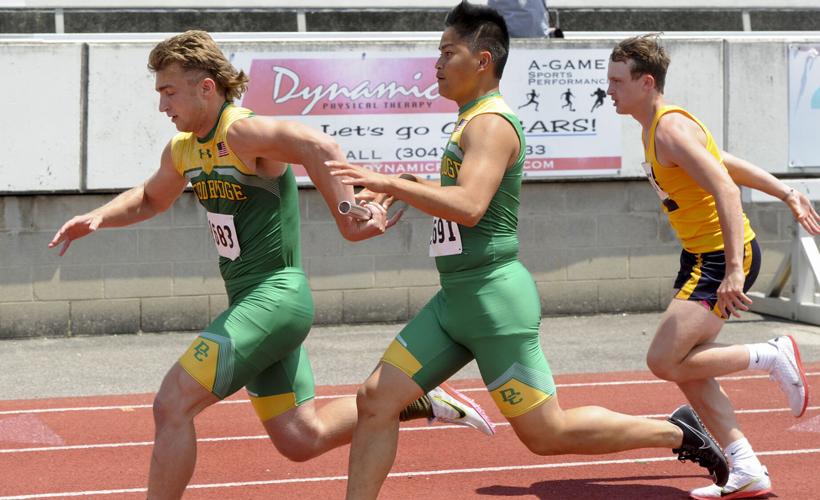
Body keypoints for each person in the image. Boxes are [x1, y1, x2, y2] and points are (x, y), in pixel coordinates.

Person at [47, 30, 494, 500]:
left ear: (206, 88)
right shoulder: (182, 150)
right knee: (302, 438)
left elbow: (317, 145)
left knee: (172, 403)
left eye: (169, 91)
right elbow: (148, 198)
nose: (162, 106)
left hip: (275, 298)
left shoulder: (240, 131)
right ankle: (416, 401)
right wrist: (98, 216)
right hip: (252, 303)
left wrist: (348, 215)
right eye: (159, 93)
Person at [327, 4, 730, 499]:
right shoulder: (468, 121)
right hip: (456, 299)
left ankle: (677, 431)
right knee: (375, 400)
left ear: (482, 60)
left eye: (446, 53)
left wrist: (391, 181)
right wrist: (406, 185)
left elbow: (470, 206)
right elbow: (466, 194)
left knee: (546, 434)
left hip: (494, 302)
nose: (435, 64)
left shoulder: (492, 123)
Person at [607, 34, 819, 499]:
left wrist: (734, 274)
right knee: (686, 366)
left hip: (721, 259)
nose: (609, 90)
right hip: (703, 257)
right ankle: (746, 467)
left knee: (663, 360)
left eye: (617, 81)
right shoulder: (661, 126)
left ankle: (770, 354)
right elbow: (725, 163)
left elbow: (725, 189)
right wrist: (785, 192)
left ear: (646, 82)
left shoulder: (668, 129)